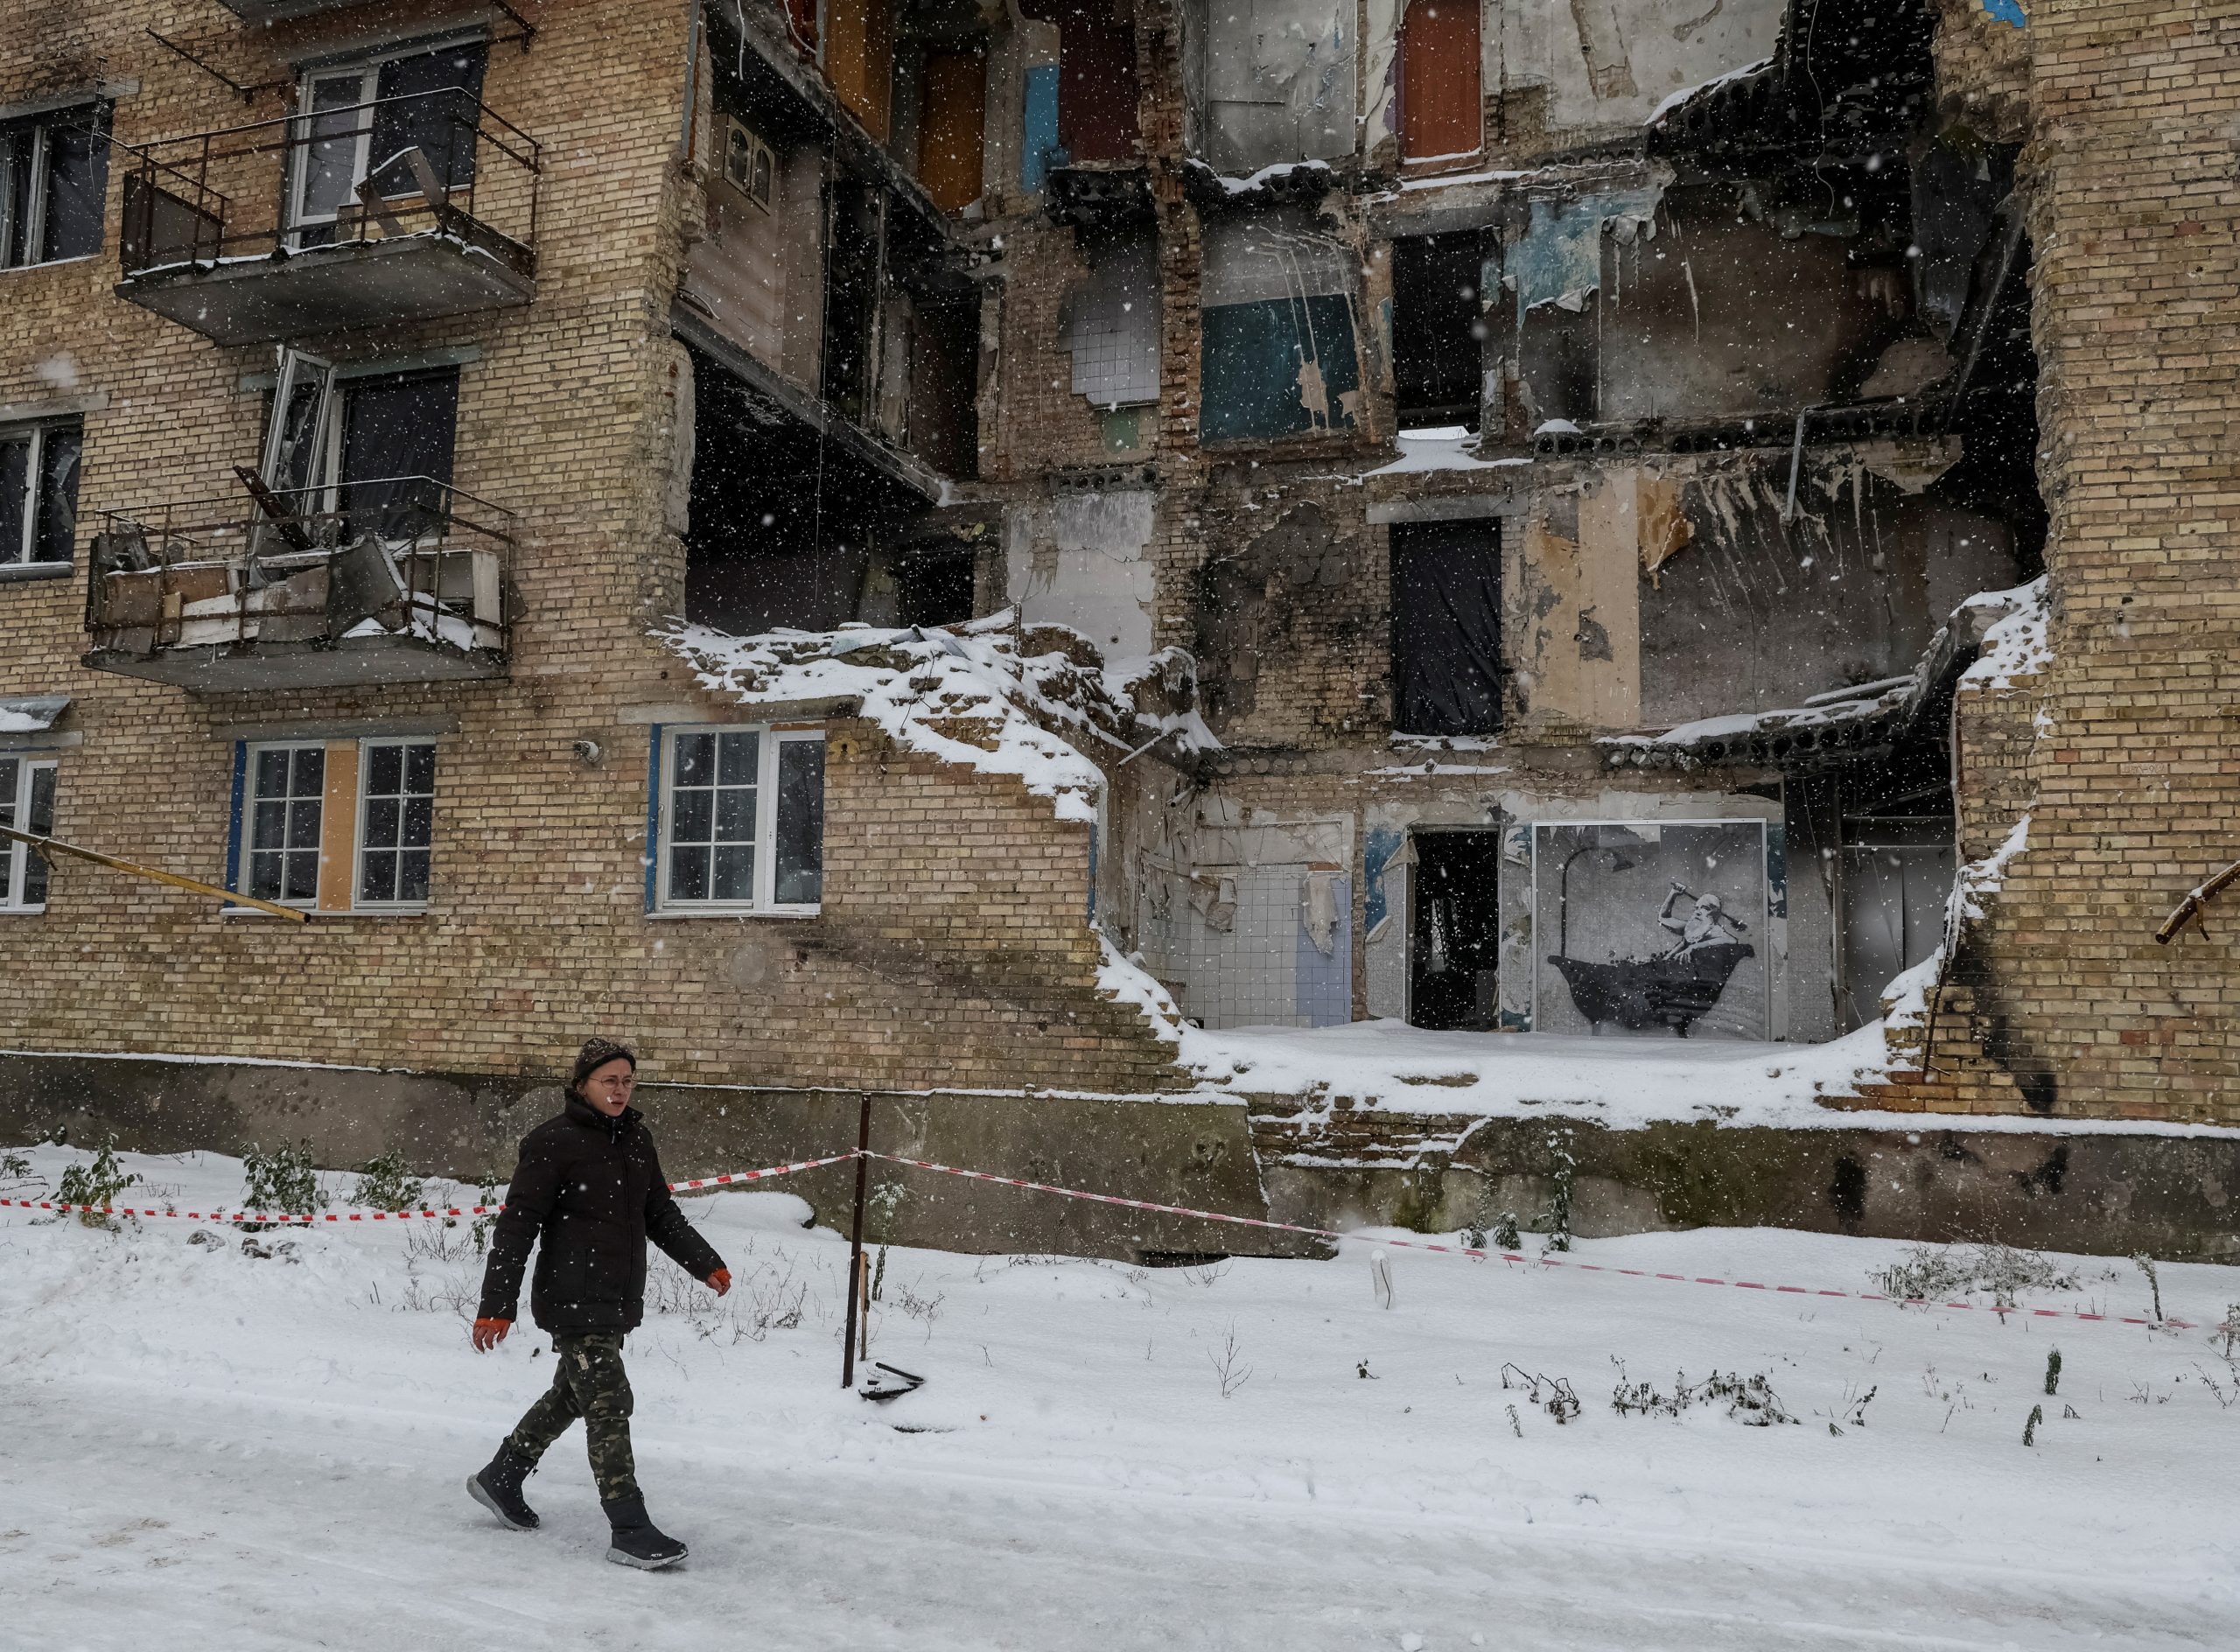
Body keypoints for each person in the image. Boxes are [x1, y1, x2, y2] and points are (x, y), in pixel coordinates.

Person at [466, 1038, 732, 1569]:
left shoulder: (636, 1138)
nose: (620, 1090)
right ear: (582, 1084)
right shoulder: (552, 1142)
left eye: (628, 1080)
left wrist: (705, 1263)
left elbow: (660, 1214)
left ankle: (502, 1476)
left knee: (573, 1394)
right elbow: (517, 1227)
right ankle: (628, 1527)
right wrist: (497, 1304)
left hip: (617, 1294)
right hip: (571, 1295)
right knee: (609, 1401)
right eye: (609, 1080)